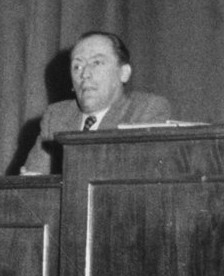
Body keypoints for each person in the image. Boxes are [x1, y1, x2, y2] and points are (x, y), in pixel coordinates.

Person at [21, 32, 171, 175]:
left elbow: (137, 178)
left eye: (97, 63)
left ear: (123, 73)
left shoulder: (146, 110)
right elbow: (35, 180)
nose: (85, 74)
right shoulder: (56, 117)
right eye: (77, 66)